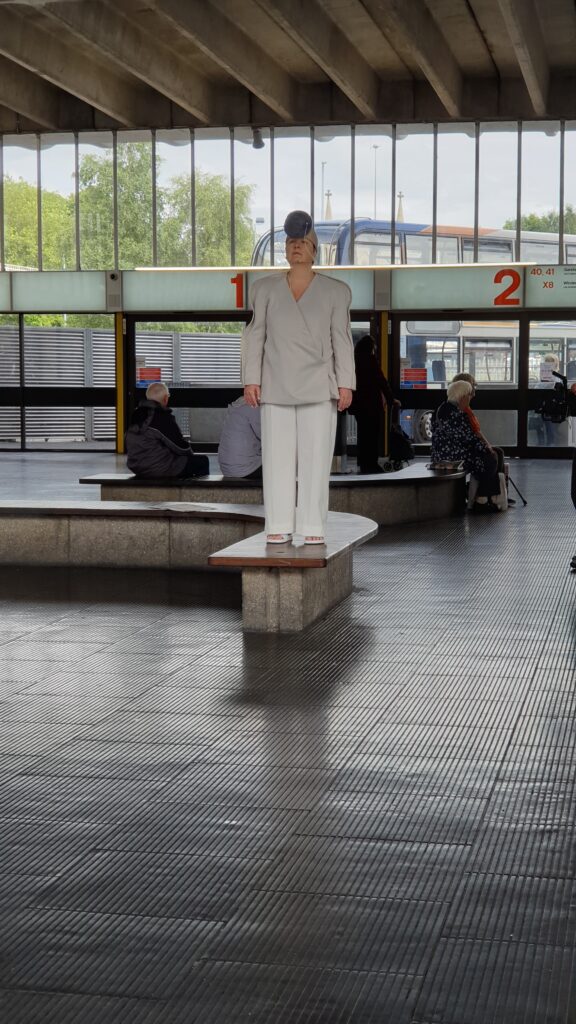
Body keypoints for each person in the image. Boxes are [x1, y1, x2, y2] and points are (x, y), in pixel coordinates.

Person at [242, 209, 355, 544]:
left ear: (314, 249)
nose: (296, 247)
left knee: (316, 459)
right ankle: (277, 524)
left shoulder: (336, 291)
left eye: (303, 242)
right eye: (291, 241)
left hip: (319, 385)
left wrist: (345, 383)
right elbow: (254, 336)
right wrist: (251, 380)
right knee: (276, 458)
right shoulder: (263, 289)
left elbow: (342, 340)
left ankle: (312, 527)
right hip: (275, 383)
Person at [431, 379, 500, 512]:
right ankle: (481, 500)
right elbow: (469, 439)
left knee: (488, 455)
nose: (470, 398)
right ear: (462, 396)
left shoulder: (440, 410)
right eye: (469, 395)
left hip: (440, 454)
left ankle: (483, 498)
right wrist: (486, 448)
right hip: (453, 457)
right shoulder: (457, 414)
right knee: (489, 459)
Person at [125, 381, 209, 478]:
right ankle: (195, 488)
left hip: (136, 467)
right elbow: (180, 446)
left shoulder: (136, 414)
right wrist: (190, 455)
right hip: (158, 468)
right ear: (165, 398)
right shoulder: (161, 416)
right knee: (202, 461)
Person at [350, 334, 401, 473]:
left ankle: (363, 463)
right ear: (370, 348)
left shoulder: (354, 360)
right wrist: (391, 399)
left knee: (363, 435)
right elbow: (381, 381)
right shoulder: (370, 360)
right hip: (371, 405)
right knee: (372, 436)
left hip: (359, 405)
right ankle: (371, 464)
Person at [218, 396, 262, 479]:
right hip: (245, 469)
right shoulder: (253, 407)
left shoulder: (237, 407)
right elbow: (267, 437)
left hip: (227, 469)